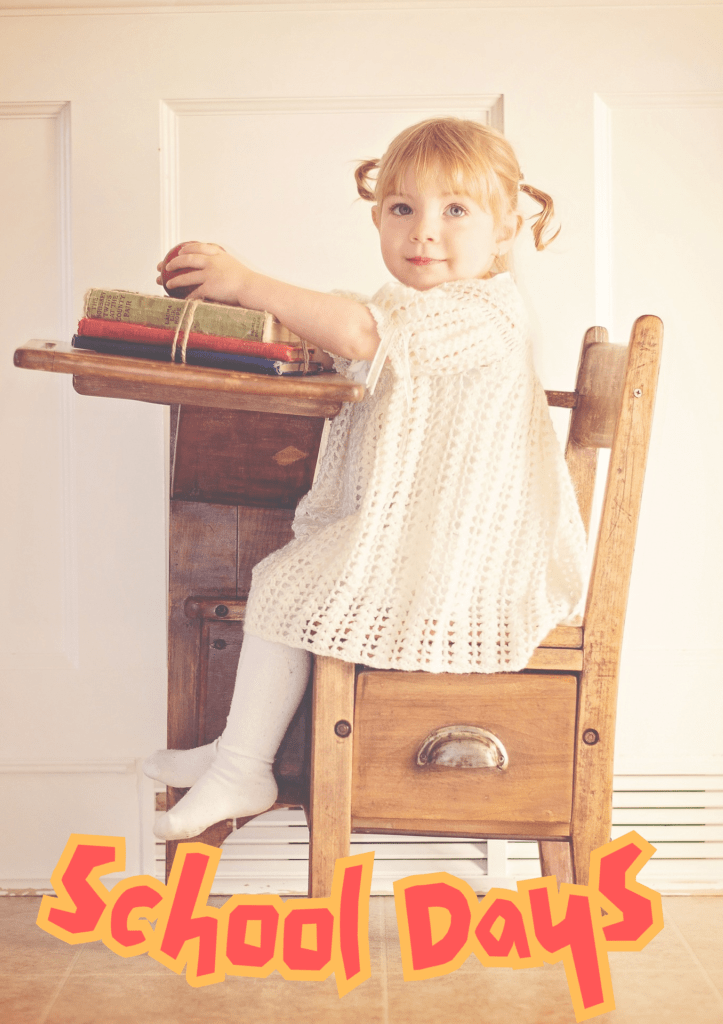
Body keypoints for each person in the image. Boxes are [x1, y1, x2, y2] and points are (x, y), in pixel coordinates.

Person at [145, 117, 588, 841]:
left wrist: (251, 282)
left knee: (289, 582)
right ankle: (236, 755)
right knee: (282, 576)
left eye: (455, 211)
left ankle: (242, 769)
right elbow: (347, 333)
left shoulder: (487, 312)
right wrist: (244, 308)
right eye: (401, 209)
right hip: (423, 533)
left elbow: (358, 337)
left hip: (467, 554)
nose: (423, 233)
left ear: (505, 230)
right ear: (377, 215)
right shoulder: (404, 306)